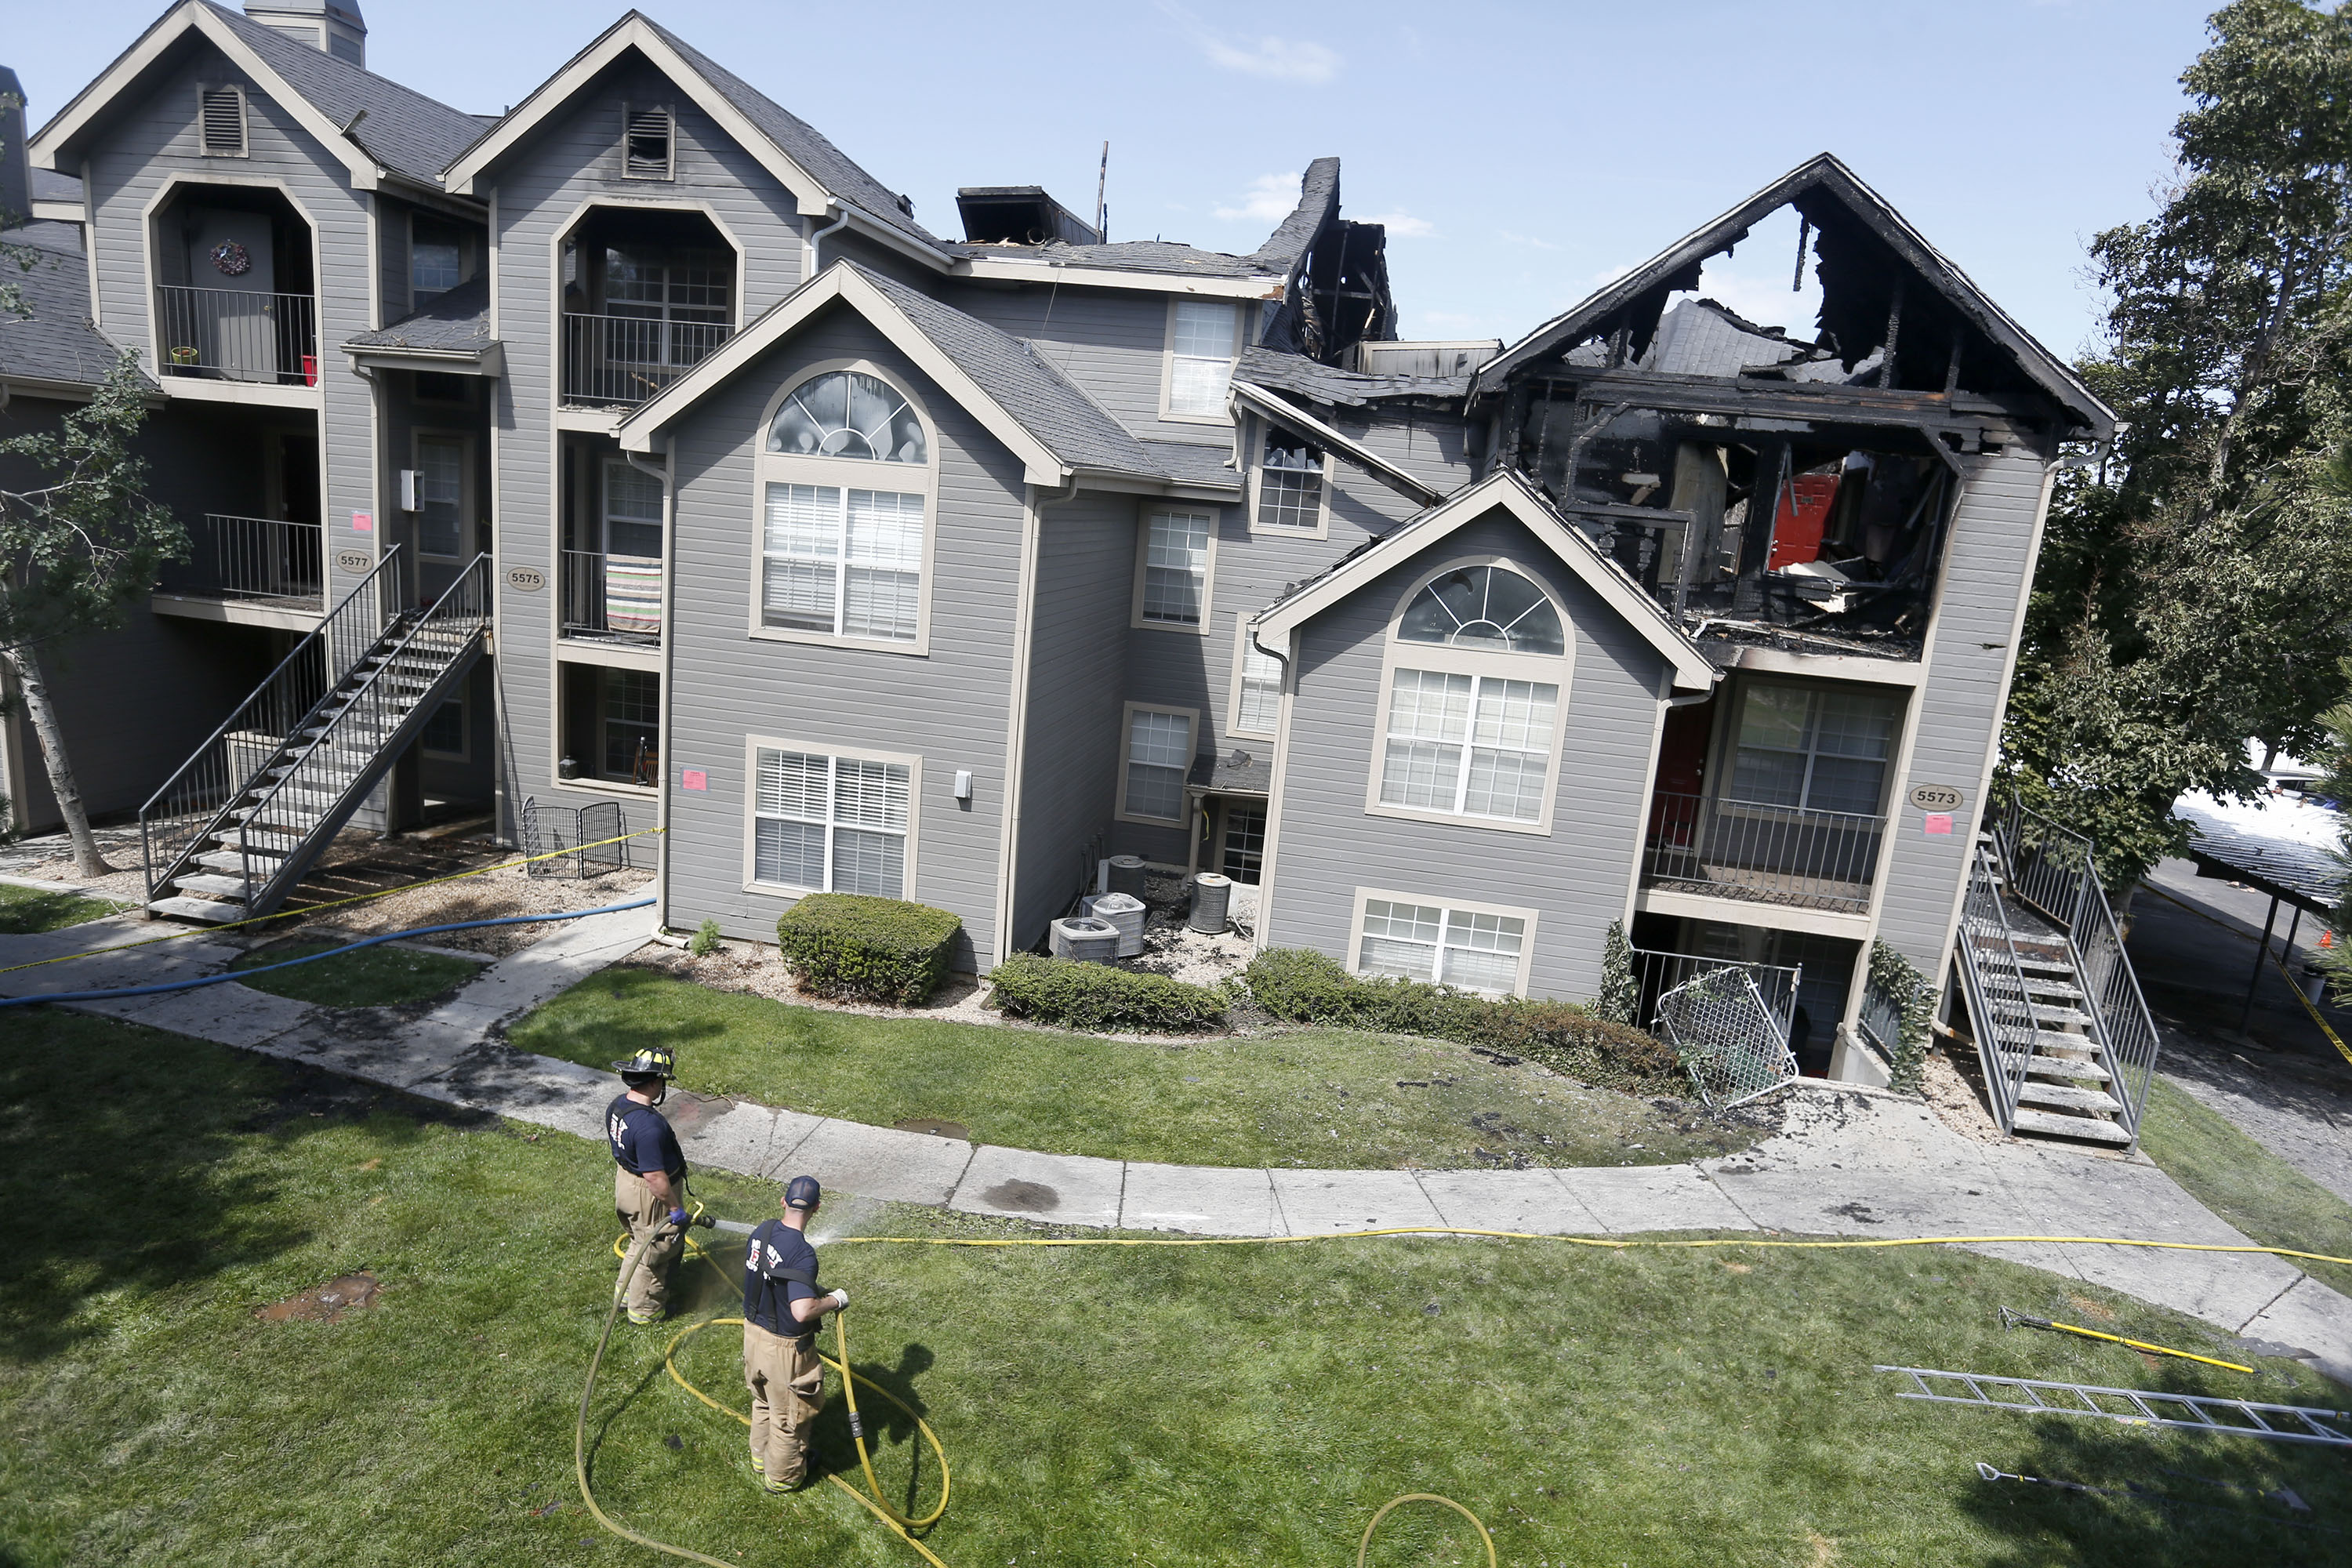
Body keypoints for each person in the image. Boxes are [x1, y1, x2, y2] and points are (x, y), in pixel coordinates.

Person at [742, 1174, 848, 1493]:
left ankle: (761, 1457)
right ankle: (782, 1477)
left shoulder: (761, 1232)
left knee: (762, 1400)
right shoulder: (803, 1254)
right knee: (791, 1417)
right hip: (784, 1349)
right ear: (817, 1208)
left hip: (752, 1335)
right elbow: (802, 1311)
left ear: (783, 1202)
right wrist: (833, 1300)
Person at [606, 1046, 689, 1326]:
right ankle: (646, 1311)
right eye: (663, 1081)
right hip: (649, 1194)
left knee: (639, 1241)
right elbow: (655, 1177)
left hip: (627, 1184)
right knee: (657, 1251)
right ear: (654, 1081)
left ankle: (625, 1294)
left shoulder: (618, 1105)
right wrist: (675, 1208)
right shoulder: (648, 1127)